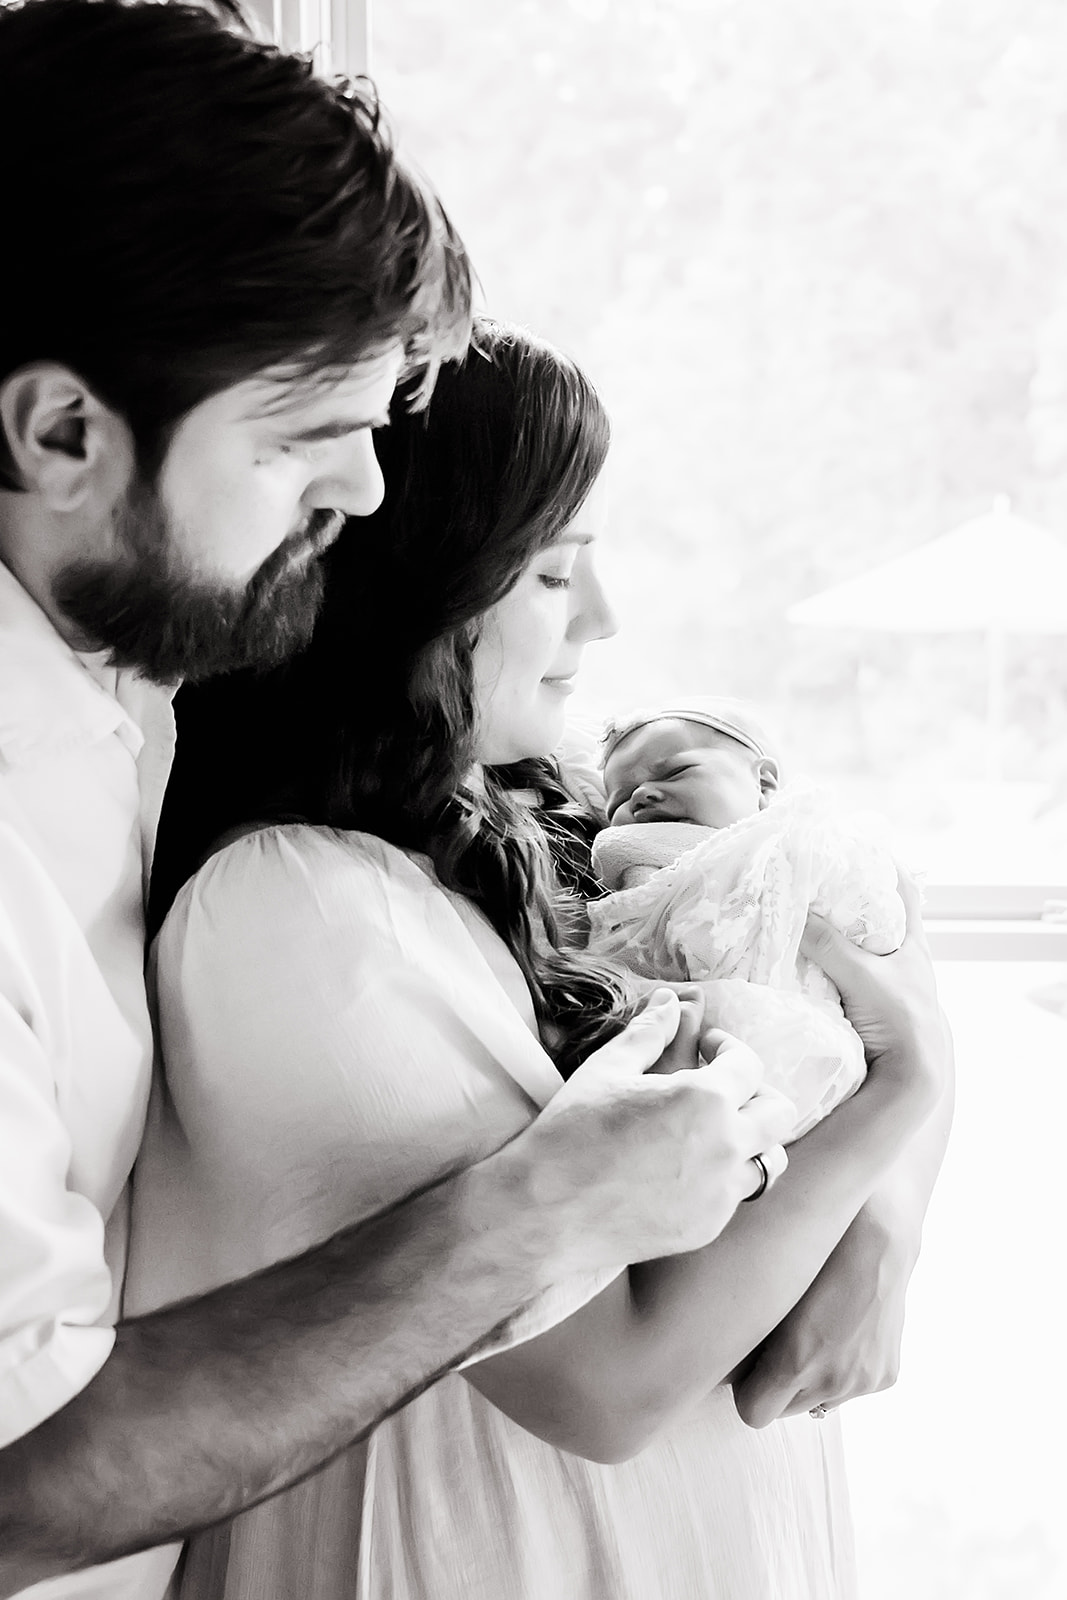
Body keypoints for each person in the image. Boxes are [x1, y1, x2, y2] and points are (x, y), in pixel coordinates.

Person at [0, 8, 789, 1597]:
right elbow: (21, 1481)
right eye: (308, 437)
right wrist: (539, 1215)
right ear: (63, 432)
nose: (361, 497)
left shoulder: (130, 670)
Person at [134, 319, 950, 1599]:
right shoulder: (300, 913)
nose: (607, 619)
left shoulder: (539, 804)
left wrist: (884, 1217)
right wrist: (910, 1094)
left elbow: (850, 931)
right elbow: (604, 1381)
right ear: (414, 590)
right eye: (555, 575)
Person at [588, 696, 908, 1137]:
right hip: (688, 1048)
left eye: (675, 772)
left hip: (809, 1043)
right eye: (619, 800)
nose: (642, 796)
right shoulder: (636, 867)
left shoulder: (798, 839)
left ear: (764, 784)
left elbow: (870, 912)